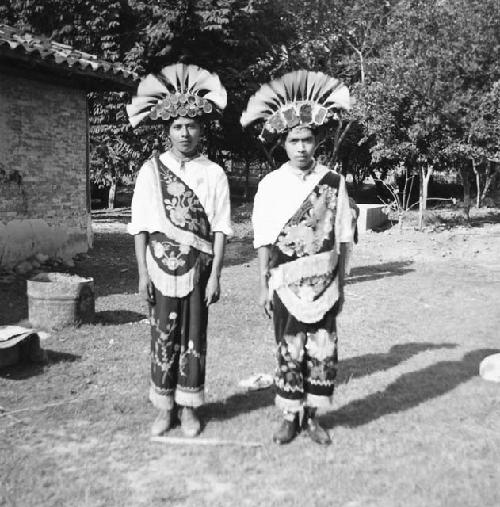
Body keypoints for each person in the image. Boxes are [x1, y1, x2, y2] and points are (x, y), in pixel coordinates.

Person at [240, 70, 355, 445]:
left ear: (316, 141)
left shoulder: (335, 182)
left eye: (307, 140)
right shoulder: (271, 185)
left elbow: (344, 236)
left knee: (322, 349)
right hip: (285, 281)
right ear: (284, 144)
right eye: (294, 141)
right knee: (289, 347)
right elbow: (263, 238)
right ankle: (289, 416)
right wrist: (262, 284)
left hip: (324, 282)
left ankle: (312, 417)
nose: (302, 147)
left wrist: (342, 281)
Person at [126, 63, 232, 437]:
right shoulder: (150, 171)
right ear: (167, 131)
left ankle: (189, 408)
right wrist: (141, 274)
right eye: (177, 126)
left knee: (193, 337)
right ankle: (164, 407)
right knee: (162, 335)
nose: (184, 133)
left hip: (199, 270)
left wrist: (216, 275)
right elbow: (140, 227)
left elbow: (221, 228)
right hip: (159, 267)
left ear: (201, 129)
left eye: (191, 125)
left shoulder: (214, 173)